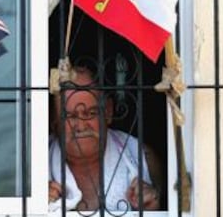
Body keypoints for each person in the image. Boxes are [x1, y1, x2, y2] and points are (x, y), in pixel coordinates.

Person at [49, 66, 162, 212]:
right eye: (70, 116)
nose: (81, 126)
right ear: (54, 120)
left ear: (108, 111)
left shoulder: (143, 159)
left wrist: (152, 211)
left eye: (90, 113)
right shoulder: (33, 168)